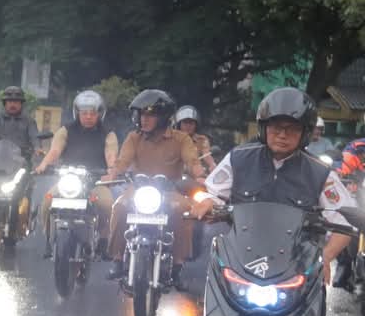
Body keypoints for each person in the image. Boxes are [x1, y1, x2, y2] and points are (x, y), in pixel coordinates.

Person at [192, 88, 352, 284]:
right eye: (276, 127)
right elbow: (212, 194)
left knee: (311, 309)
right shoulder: (238, 158)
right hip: (240, 256)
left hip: (297, 263)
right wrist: (207, 202)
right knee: (206, 276)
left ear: (306, 132)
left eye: (292, 128)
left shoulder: (321, 172)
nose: (282, 135)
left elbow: (345, 222)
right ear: (263, 128)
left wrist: (325, 257)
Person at [102, 89, 202, 286]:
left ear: (163, 117)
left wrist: (200, 176)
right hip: (138, 189)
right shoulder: (134, 137)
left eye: (150, 115)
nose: (144, 120)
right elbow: (122, 161)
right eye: (142, 115)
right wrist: (112, 174)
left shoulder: (182, 139)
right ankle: (116, 259)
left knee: (185, 211)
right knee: (119, 207)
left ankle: (178, 266)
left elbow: (192, 161)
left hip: (169, 191)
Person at [34, 90, 118, 257]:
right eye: (84, 113)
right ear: (77, 113)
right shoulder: (65, 130)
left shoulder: (108, 133)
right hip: (69, 180)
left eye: (92, 113)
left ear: (100, 114)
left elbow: (111, 155)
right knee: (46, 202)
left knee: (108, 205)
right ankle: (49, 239)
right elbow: (55, 151)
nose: (88, 117)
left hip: (96, 182)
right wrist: (43, 165)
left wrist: (111, 172)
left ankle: (103, 237)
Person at [0, 86, 41, 161]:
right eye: (9, 102)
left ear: (21, 104)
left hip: (22, 160)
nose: (12, 104)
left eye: (16, 102)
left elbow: (34, 135)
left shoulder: (29, 121)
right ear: (5, 103)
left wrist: (37, 147)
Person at [174, 105, 217, 175]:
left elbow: (207, 154)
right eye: (185, 122)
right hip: (175, 175)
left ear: (196, 125)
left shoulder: (202, 139)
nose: (188, 126)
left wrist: (212, 164)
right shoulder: (172, 139)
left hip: (196, 174)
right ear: (179, 124)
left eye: (191, 123)